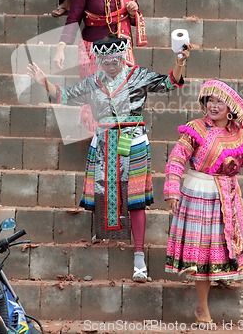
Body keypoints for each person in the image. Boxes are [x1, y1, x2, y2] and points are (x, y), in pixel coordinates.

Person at [28, 35, 190, 282]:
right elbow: (64, 95)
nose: (112, 66)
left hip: (132, 140)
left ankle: (139, 258)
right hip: (104, 141)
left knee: (135, 199)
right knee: (102, 192)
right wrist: (44, 83)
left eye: (116, 61)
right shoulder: (93, 82)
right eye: (107, 62)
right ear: (99, 61)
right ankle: (103, 235)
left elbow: (170, 82)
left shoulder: (138, 75)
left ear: (123, 57)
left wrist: (180, 62)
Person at [164, 79, 243, 325]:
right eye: (210, 101)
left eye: (219, 102)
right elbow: (176, 158)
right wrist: (172, 189)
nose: (213, 106)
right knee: (202, 255)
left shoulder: (236, 134)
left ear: (230, 109)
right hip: (199, 196)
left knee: (221, 248)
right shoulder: (196, 128)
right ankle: (201, 308)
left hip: (227, 196)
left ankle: (224, 274)